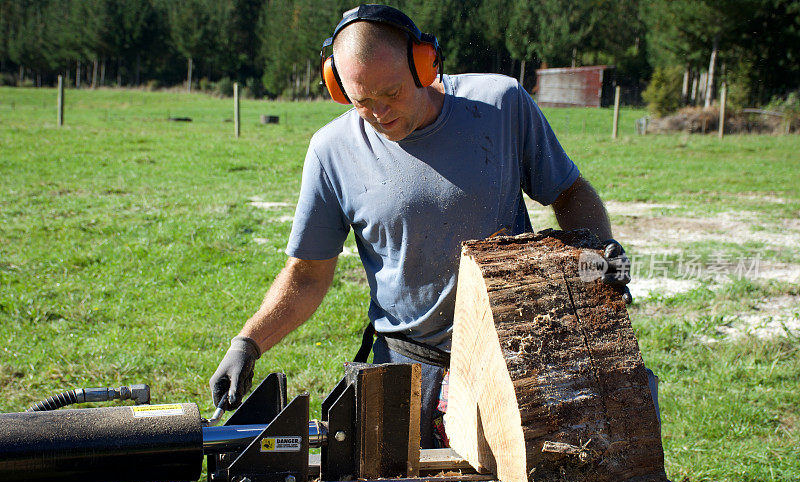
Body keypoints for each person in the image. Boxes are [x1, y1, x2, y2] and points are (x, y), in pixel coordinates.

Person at [210, 4, 642, 448]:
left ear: (423, 63)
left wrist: (598, 258)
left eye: (391, 93)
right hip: (406, 370)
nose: (379, 113)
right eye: (362, 101)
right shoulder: (331, 152)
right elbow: (307, 274)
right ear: (338, 87)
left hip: (514, 354)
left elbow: (570, 192)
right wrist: (248, 342)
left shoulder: (499, 105)